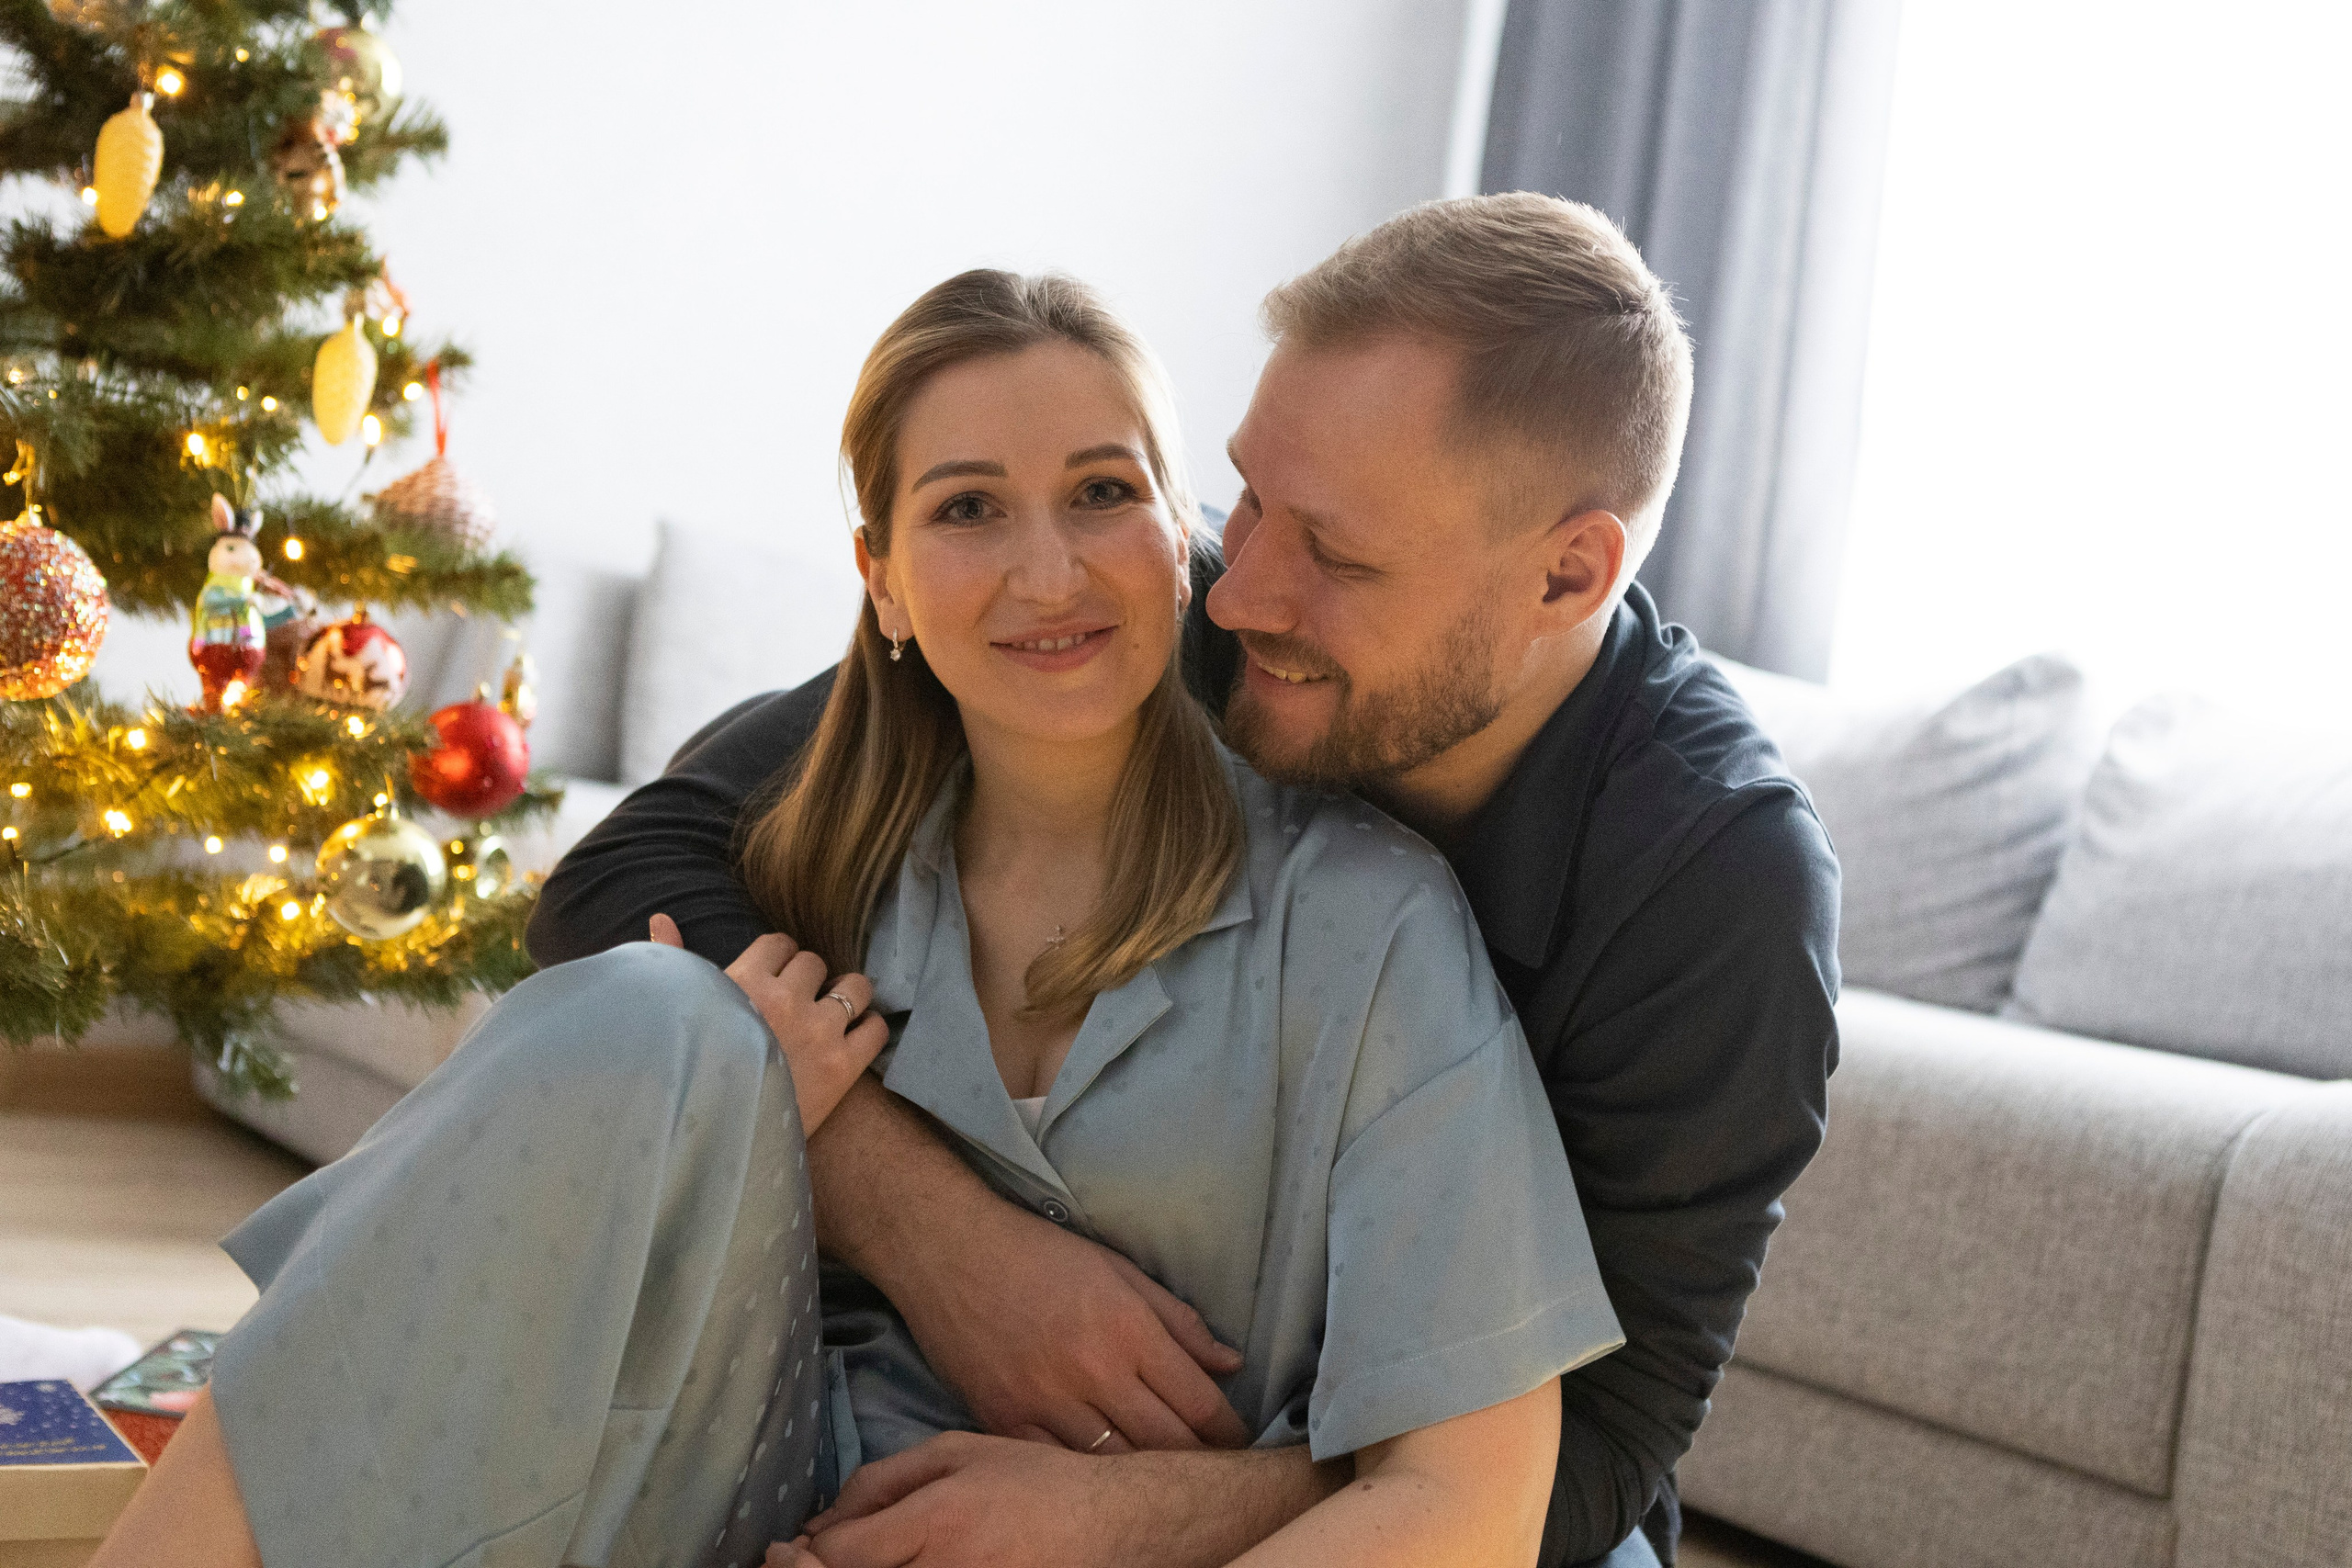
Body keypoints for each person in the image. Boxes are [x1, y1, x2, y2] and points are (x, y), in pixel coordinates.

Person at [92, 266, 1622, 1568]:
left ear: (1184, 540)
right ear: (882, 584)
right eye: (968, 510)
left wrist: (1112, 1522)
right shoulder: (811, 869)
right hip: (742, 1496)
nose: (1047, 569)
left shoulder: (1368, 927)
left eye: (1105, 491)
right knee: (644, 1009)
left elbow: (1465, 1501)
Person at [531, 193, 1840, 1568]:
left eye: (1335, 552)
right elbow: (625, 870)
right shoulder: (1177, 605)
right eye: (1250, 498)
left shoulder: (1720, 888)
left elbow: (1591, 1453)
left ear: (1568, 575)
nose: (1236, 592)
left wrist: (1120, 1522)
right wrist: (935, 1232)